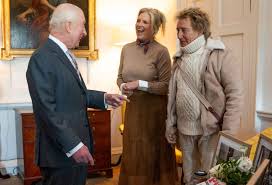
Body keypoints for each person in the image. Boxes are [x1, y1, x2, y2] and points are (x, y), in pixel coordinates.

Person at [26, 3, 128, 185]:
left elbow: (75, 94)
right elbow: (47, 112)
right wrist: (74, 146)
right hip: (61, 153)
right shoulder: (42, 58)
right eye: (83, 25)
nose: (85, 32)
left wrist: (104, 98)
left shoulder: (64, 55)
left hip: (73, 150)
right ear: (68, 25)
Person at [165, 8, 243, 184]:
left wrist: (229, 133)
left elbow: (235, 95)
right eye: (177, 30)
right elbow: (172, 96)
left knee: (210, 178)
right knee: (190, 177)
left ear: (199, 29)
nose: (178, 35)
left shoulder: (220, 55)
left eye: (184, 30)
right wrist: (170, 124)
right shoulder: (178, 59)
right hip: (184, 132)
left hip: (211, 132)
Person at [117, 8, 176, 185]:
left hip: (155, 116)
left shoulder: (162, 52)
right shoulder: (126, 49)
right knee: (133, 154)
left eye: (145, 22)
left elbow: (166, 86)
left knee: (151, 156)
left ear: (155, 28)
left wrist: (140, 84)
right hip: (133, 112)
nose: (139, 25)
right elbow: (120, 76)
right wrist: (122, 86)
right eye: (138, 20)